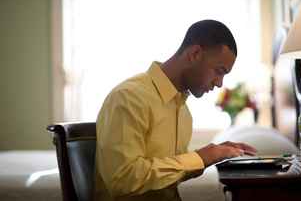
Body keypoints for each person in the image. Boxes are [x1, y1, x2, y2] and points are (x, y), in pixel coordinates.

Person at [94, 19, 257, 201]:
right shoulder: (129, 97)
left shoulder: (183, 110)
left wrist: (210, 154)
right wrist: (200, 158)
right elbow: (122, 179)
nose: (219, 83)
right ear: (195, 54)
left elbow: (168, 173)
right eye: (219, 71)